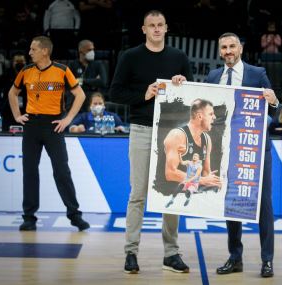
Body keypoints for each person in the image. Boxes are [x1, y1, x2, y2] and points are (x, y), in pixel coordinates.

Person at [109, 10, 193, 274]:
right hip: (142, 130)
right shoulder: (130, 57)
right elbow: (115, 92)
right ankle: (131, 252)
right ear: (143, 29)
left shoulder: (179, 57)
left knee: (172, 192)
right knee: (138, 195)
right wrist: (143, 93)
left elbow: (191, 94)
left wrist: (183, 83)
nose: (156, 29)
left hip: (173, 132)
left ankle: (171, 254)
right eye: (151, 25)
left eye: (160, 25)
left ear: (166, 28)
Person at [206, 32, 279, 278]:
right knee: (232, 203)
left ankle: (267, 260)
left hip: (256, 150)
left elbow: (273, 113)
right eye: (223, 47)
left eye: (232, 46)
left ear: (241, 48)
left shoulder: (257, 74)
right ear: (219, 51)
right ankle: (235, 257)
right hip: (227, 152)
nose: (228, 51)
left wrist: (275, 101)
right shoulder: (213, 76)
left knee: (264, 206)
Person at [8, 35, 90, 231]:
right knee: (30, 172)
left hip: (53, 125)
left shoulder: (62, 70)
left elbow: (80, 94)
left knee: (62, 171)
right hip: (32, 126)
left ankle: (74, 215)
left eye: (33, 49)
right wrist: (18, 116)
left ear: (45, 51)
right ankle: (29, 217)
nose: (29, 53)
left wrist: (68, 119)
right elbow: (12, 93)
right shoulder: (26, 71)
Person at [158, 99, 221, 208]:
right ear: (200, 116)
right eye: (211, 114)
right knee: (172, 221)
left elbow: (206, 172)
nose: (214, 117)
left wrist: (213, 181)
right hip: (166, 193)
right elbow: (170, 173)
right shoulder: (177, 135)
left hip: (191, 187)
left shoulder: (207, 139)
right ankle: (173, 200)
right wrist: (202, 180)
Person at [68, 39, 107, 111]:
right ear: (81, 51)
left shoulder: (98, 64)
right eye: (89, 50)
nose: (92, 52)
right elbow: (70, 83)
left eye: (93, 50)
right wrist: (94, 81)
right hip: (77, 100)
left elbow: (103, 82)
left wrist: (82, 81)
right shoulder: (73, 65)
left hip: (93, 100)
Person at [0, 53, 28, 131]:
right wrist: (1, 108)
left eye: (22, 61)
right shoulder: (6, 76)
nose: (19, 63)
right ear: (12, 62)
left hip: (26, 113)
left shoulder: (30, 75)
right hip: (8, 112)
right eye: (17, 61)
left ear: (25, 62)